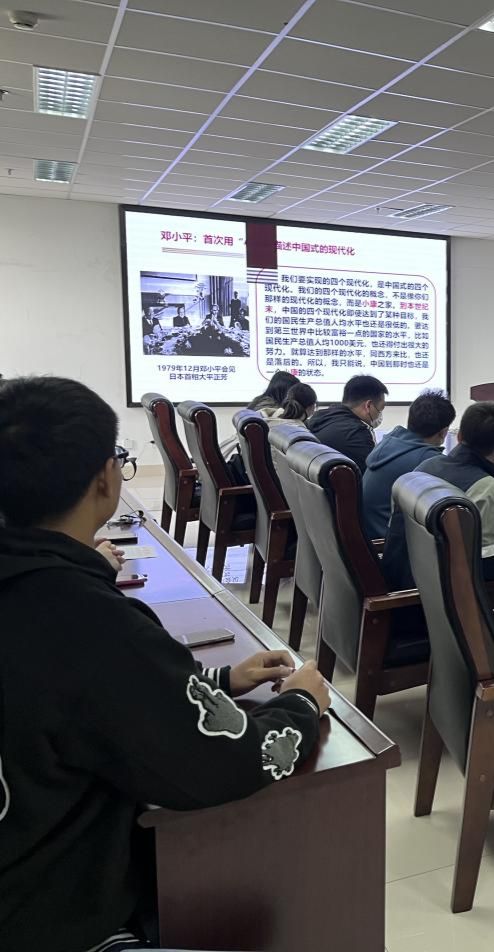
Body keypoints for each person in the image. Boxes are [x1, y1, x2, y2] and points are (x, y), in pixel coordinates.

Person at [0, 376, 330, 952]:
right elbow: (224, 765)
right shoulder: (81, 616)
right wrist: (302, 704)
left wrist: (216, 680)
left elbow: (65, 699)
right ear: (105, 478)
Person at [383, 401, 494, 590]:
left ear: (459, 437)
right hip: (440, 597)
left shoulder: (426, 466)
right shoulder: (485, 487)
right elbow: (493, 569)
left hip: (402, 586)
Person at [361, 390, 455, 540]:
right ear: (443, 432)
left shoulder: (390, 442)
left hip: (370, 535)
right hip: (385, 543)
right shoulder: (428, 461)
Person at [307, 375, 388, 473]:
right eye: (381, 408)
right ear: (368, 406)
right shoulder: (358, 433)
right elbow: (375, 475)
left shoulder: (320, 417)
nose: (380, 413)